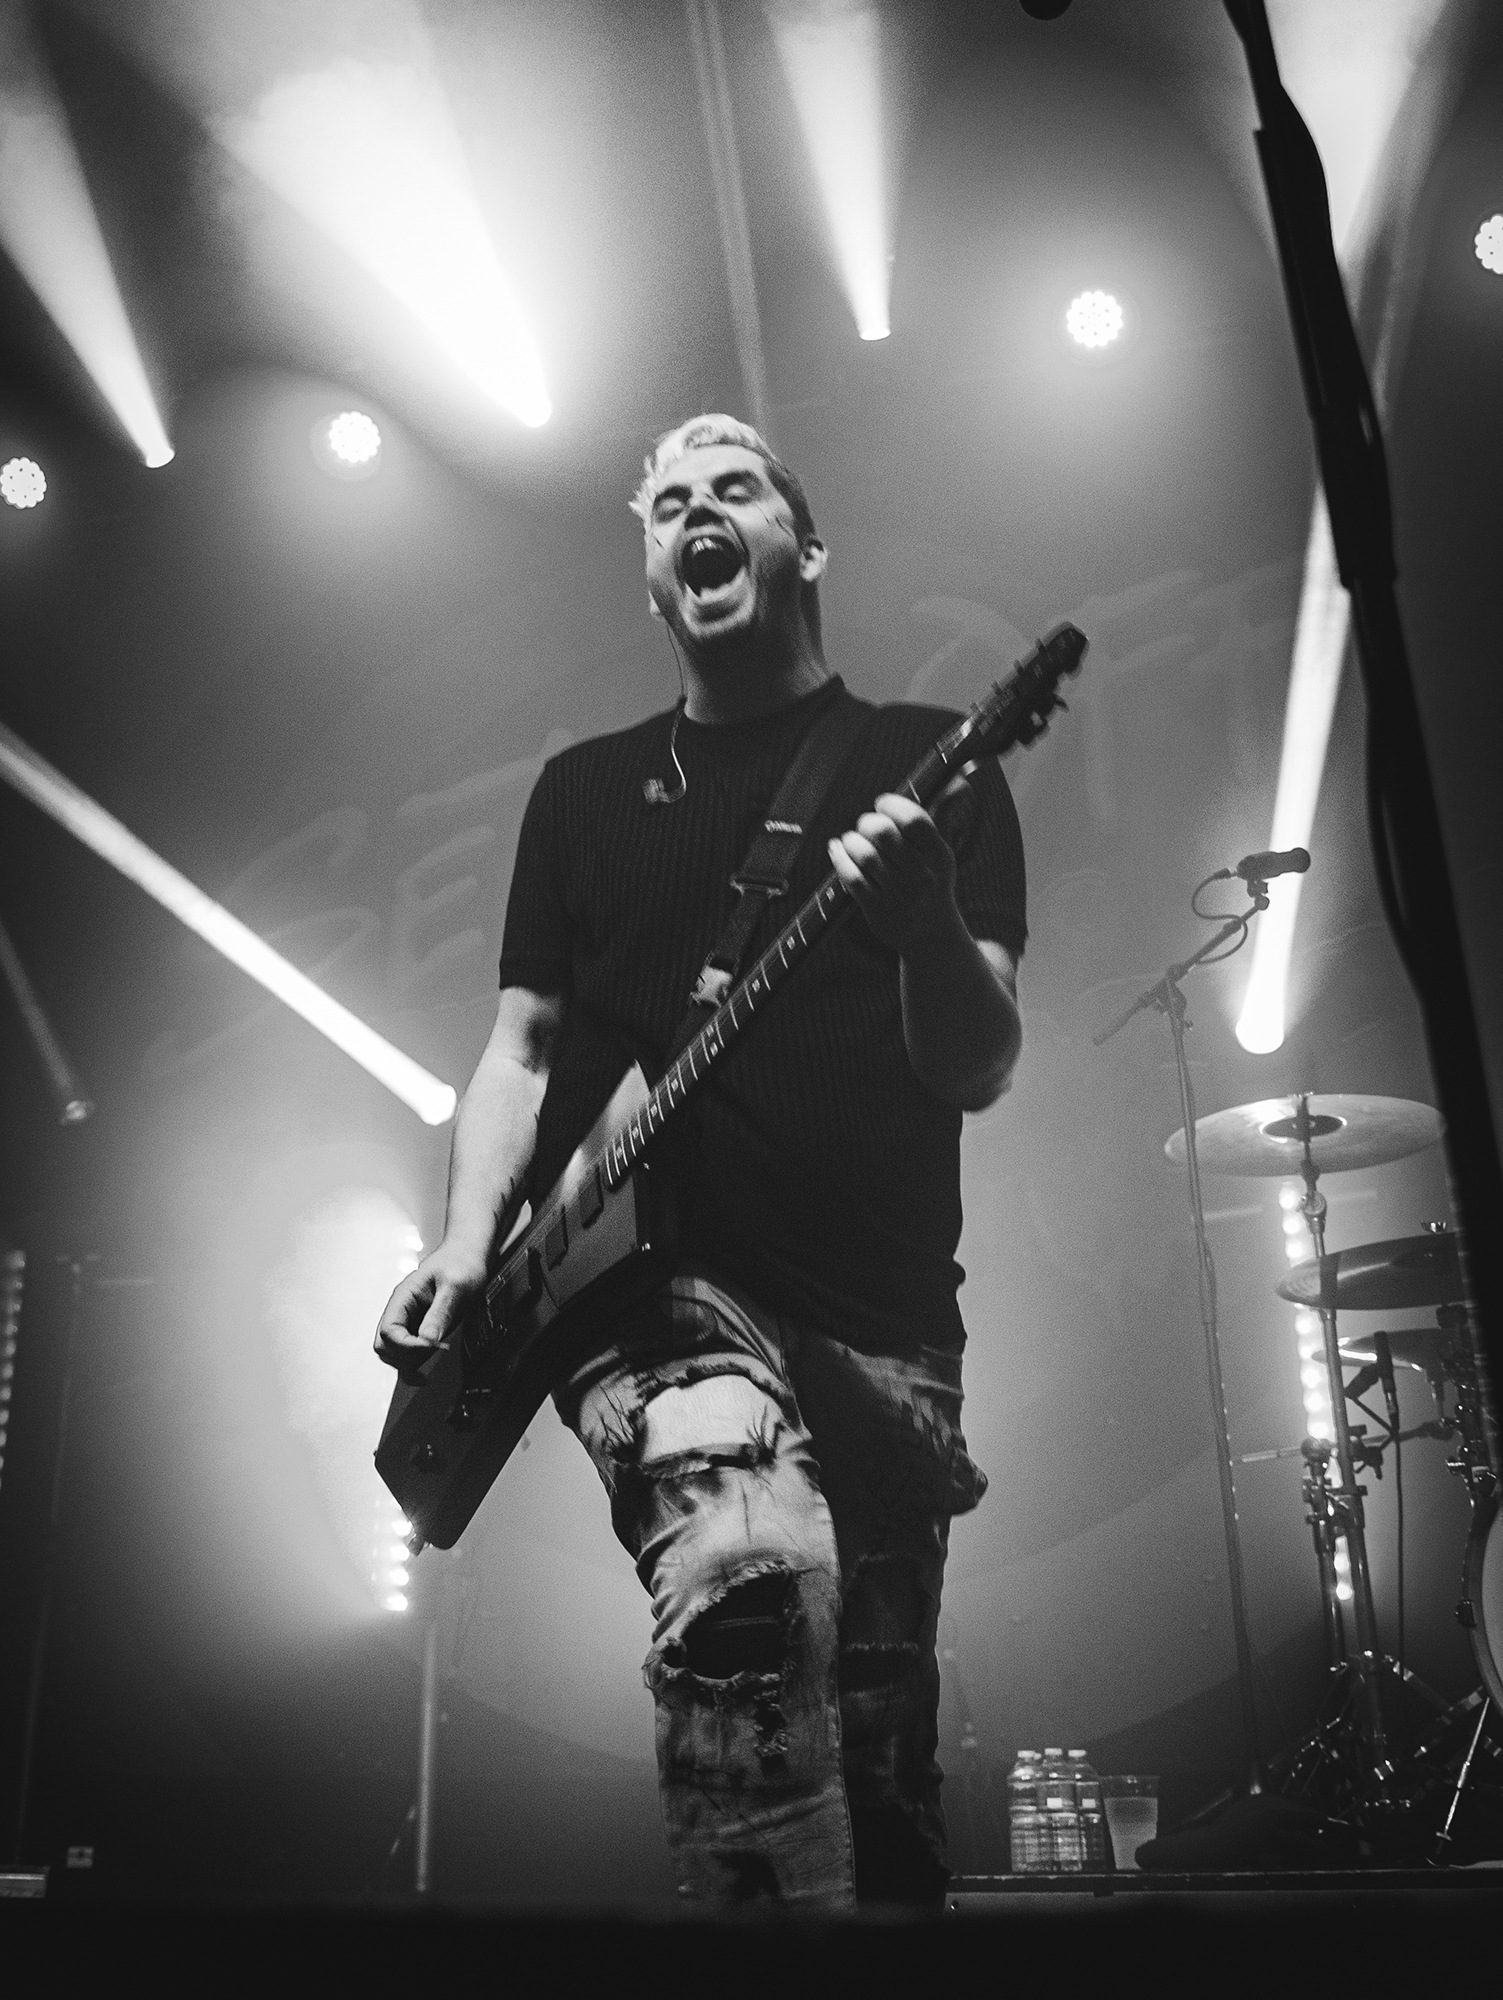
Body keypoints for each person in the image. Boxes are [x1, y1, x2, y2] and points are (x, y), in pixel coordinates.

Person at [375, 414, 1027, 1909]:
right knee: (743, 1580)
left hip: (883, 1316)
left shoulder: (929, 764)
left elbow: (978, 1064)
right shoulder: (584, 791)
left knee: (877, 1757)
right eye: (668, 504)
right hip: (644, 1289)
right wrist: (468, 1242)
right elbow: (522, 1048)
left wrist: (926, 922)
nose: (697, 513)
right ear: (656, 576)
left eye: (735, 488)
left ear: (806, 545)